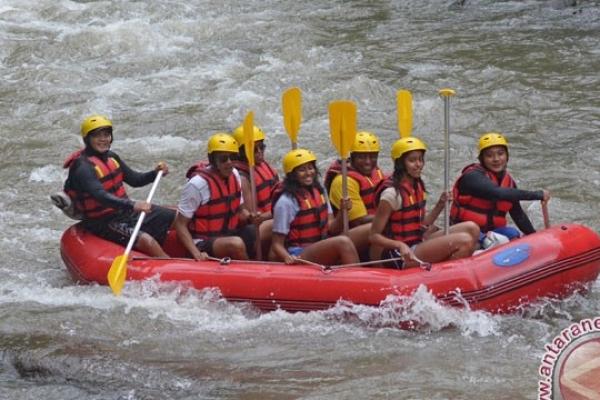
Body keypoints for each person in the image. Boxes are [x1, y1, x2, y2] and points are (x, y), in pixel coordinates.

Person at [62, 115, 175, 257]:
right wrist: (133, 205)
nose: (103, 139)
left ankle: (198, 249)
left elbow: (135, 180)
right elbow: (101, 196)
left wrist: (155, 173)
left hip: (124, 213)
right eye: (97, 136)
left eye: (106, 134)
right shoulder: (83, 167)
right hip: (102, 222)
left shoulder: (111, 157)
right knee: (147, 242)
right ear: (87, 139)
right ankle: (167, 263)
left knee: (174, 217)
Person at [369, 137, 479, 268]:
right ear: (400, 163)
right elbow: (373, 236)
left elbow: (422, 225)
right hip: (399, 254)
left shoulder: (416, 186)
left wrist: (440, 204)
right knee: (464, 241)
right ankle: (445, 275)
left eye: (420, 159)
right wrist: (400, 245)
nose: (418, 164)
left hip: (417, 242)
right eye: (412, 160)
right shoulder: (391, 194)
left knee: (472, 228)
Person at [450, 132, 550, 241]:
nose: (496, 159)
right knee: (496, 240)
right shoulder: (472, 176)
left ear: (507, 156)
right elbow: (496, 193)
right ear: (481, 159)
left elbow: (518, 215)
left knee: (512, 233)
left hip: (491, 234)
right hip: (464, 233)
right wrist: (537, 195)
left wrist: (535, 237)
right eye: (489, 155)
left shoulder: (509, 183)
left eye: (500, 153)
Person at [269, 148, 360, 266]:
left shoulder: (319, 191)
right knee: (343, 242)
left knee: (358, 235)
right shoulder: (286, 201)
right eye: (302, 170)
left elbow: (332, 229)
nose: (308, 173)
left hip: (321, 243)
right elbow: (277, 244)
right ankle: (357, 279)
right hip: (299, 253)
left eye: (310, 168)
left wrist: (343, 212)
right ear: (292, 174)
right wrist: (288, 258)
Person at [173, 133, 256, 261]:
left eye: (232, 158)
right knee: (236, 244)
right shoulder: (197, 184)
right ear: (213, 160)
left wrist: (250, 216)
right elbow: (180, 224)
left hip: (228, 233)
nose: (229, 163)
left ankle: (263, 263)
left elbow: (240, 211)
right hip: (202, 241)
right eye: (223, 159)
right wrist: (196, 253)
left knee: (257, 231)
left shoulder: (235, 174)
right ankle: (250, 273)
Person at [231, 124, 279, 259]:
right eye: (254, 149)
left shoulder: (263, 166)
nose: (259, 152)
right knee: (282, 221)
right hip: (249, 231)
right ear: (241, 152)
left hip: (268, 221)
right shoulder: (242, 177)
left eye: (261, 147)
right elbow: (253, 219)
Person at [325, 131, 385, 227]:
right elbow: (358, 222)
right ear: (352, 157)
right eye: (361, 157)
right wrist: (391, 216)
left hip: (377, 222)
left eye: (373, 157)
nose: (368, 162)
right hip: (353, 231)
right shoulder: (343, 181)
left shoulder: (376, 172)